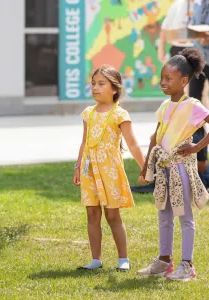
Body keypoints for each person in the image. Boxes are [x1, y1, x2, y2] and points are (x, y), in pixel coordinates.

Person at [137, 48, 209, 281]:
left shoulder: (193, 105)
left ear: (184, 80)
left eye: (169, 79)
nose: (163, 83)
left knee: (184, 216)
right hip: (163, 167)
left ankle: (188, 266)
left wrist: (197, 147)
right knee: (164, 214)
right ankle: (164, 261)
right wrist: (147, 164)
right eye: (162, 78)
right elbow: (155, 137)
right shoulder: (165, 106)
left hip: (181, 168)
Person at [73, 65, 145, 272]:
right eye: (93, 84)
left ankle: (123, 258)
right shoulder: (88, 113)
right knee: (92, 214)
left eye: (101, 84)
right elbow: (84, 142)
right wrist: (78, 166)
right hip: (89, 171)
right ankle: (96, 259)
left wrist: (144, 168)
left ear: (114, 89)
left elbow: (132, 144)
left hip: (110, 171)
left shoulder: (119, 114)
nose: (95, 88)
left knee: (113, 216)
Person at [159, 0, 209, 109]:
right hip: (178, 48)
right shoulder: (177, 5)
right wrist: (161, 50)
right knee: (181, 91)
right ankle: (185, 122)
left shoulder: (205, 5)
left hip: (197, 49)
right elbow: (165, 28)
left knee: (201, 92)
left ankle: (202, 123)